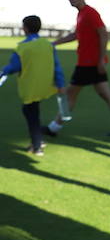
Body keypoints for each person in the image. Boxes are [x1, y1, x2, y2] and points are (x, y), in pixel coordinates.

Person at [46, 0, 110, 137]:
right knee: (105, 93)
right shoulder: (81, 14)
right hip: (90, 62)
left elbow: (103, 34)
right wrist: (54, 43)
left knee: (70, 94)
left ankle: (54, 127)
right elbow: (76, 35)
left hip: (89, 63)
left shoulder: (90, 13)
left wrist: (101, 59)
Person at [1, 15, 65, 156]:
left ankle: (37, 146)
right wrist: (60, 84)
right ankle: (37, 141)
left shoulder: (23, 47)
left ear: (25, 28)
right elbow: (57, 66)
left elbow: (13, 67)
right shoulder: (48, 45)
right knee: (32, 111)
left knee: (31, 114)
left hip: (30, 87)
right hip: (45, 86)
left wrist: (2, 72)